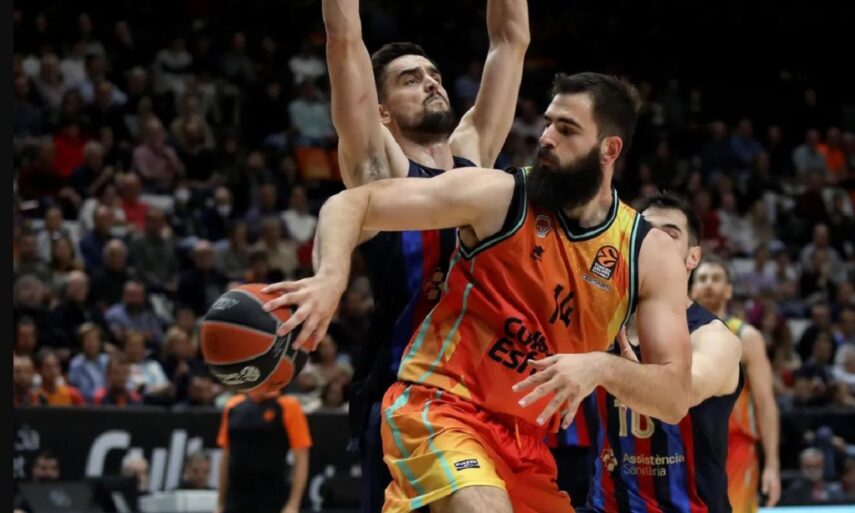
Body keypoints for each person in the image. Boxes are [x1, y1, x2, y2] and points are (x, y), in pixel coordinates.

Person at [264, 72, 692, 513]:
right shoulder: (501, 196)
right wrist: (330, 278)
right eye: (548, 123)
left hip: (526, 444)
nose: (546, 138)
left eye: (566, 129)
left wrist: (601, 367)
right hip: (442, 407)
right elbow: (353, 203)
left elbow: (674, 397)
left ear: (609, 150)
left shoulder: (646, 252)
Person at [317, 0, 530, 510]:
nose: (431, 83)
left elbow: (511, 39)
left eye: (433, 74)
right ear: (381, 111)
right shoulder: (378, 166)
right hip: (407, 396)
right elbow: (344, 39)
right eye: (410, 80)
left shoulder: (474, 159)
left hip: (485, 400)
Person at [575, 192, 743, 513]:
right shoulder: (600, 325)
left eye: (669, 235)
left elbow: (681, 395)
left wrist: (609, 369)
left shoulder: (713, 338)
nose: (655, 243)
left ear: (693, 257)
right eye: (646, 233)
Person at [691, 255, 782, 510]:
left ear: (729, 290)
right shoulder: (677, 333)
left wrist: (772, 465)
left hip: (735, 446)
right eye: (703, 278)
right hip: (686, 445)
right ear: (692, 288)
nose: (709, 284)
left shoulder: (746, 336)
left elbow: (765, 402)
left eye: (716, 278)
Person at [216, 390, 311, 513]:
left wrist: (293, 504)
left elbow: (301, 458)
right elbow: (226, 456)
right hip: (236, 497)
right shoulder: (233, 405)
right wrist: (220, 503)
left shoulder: (288, 405)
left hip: (274, 496)